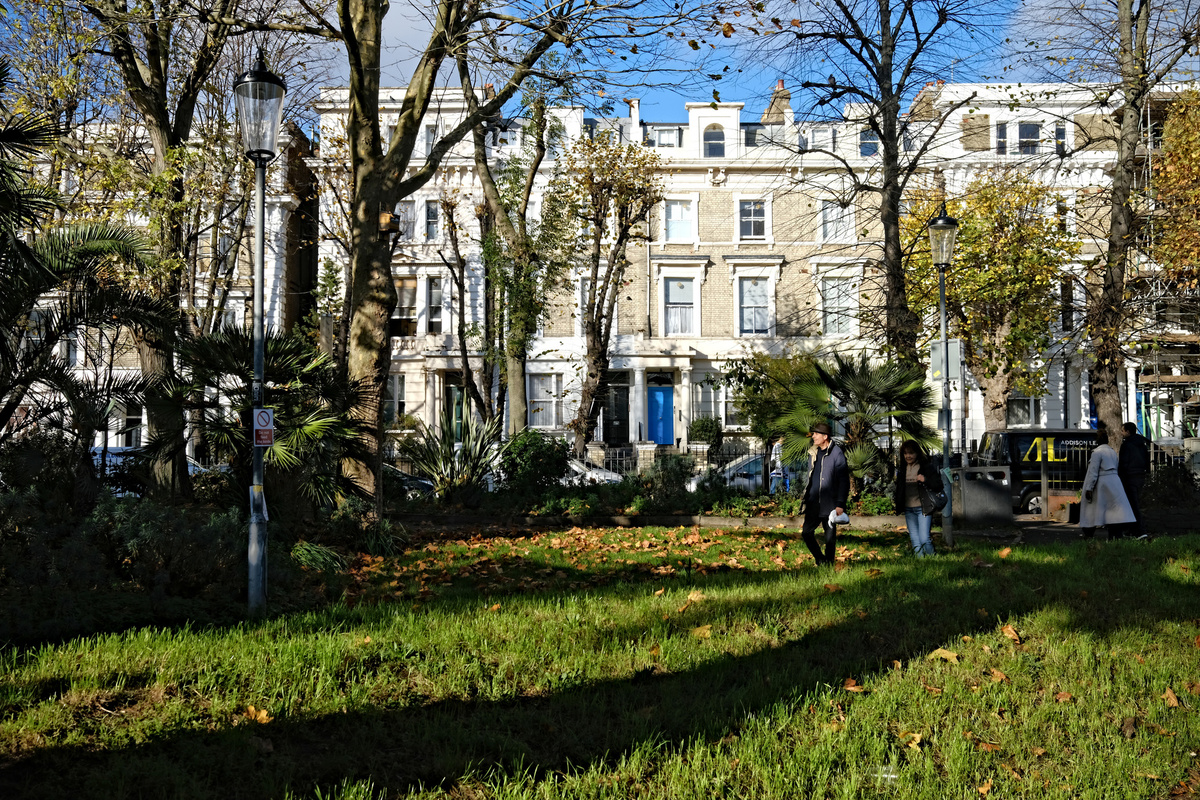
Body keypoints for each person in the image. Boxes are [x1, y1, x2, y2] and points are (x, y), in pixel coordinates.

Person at [799, 422, 850, 566]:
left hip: (830, 503)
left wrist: (840, 504)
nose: (813, 436)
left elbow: (844, 481)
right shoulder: (813, 452)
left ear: (825, 436)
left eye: (816, 434)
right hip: (813, 502)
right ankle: (820, 559)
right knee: (806, 533)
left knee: (830, 538)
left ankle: (829, 564)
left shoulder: (836, 453)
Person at [1078, 423, 1135, 539]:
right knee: (1114, 512)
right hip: (1115, 482)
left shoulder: (1097, 453)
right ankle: (1115, 535)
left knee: (1091, 511)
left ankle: (1088, 534)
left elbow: (1093, 472)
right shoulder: (1112, 452)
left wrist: (1089, 488)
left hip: (1102, 483)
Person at [893, 441, 942, 557]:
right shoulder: (902, 470)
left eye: (911, 453)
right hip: (908, 509)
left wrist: (925, 480)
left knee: (924, 538)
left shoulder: (926, 468)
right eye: (905, 453)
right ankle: (920, 560)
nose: (908, 456)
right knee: (915, 539)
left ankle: (933, 559)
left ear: (917, 453)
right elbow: (899, 489)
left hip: (923, 508)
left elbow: (938, 485)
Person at [1117, 421, 1150, 538]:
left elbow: (1123, 463)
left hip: (1129, 477)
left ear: (1127, 431)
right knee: (1136, 504)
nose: (1121, 433)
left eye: (1122, 431)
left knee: (1132, 505)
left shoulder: (1126, 445)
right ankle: (1133, 530)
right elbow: (1147, 459)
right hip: (1140, 476)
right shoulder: (1142, 443)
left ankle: (1140, 531)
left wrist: (1121, 476)